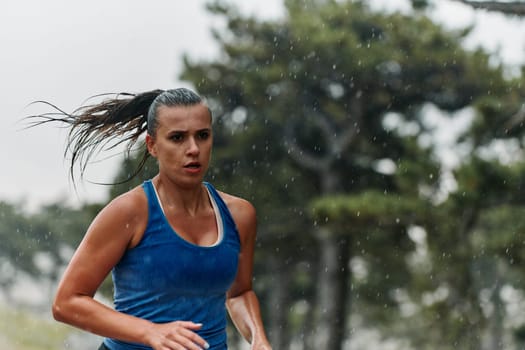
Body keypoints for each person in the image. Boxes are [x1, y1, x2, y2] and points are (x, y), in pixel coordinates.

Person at [32, 88, 272, 349]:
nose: (193, 149)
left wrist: (258, 338)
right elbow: (66, 302)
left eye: (202, 135)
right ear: (152, 145)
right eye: (177, 138)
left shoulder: (239, 215)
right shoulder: (129, 213)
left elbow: (238, 293)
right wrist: (150, 332)